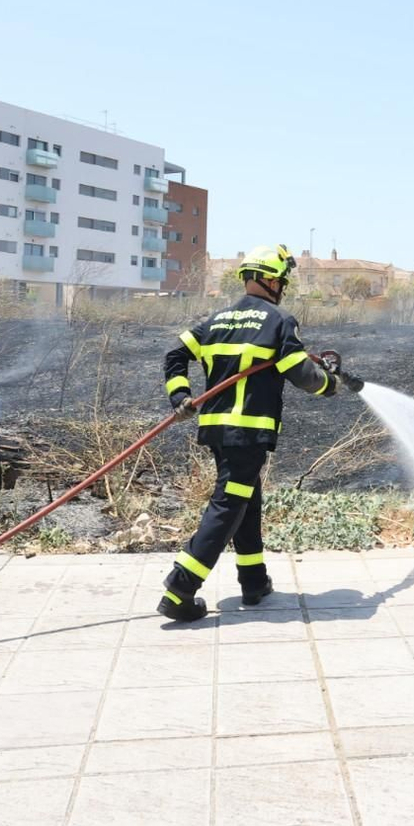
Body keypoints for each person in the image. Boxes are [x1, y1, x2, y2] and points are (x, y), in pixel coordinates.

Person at [157, 244, 343, 622]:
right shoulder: (279, 320)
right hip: (248, 432)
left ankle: (254, 580)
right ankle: (180, 588)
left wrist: (180, 394)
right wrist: (331, 385)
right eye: (281, 280)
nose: (283, 287)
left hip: (216, 431)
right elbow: (300, 373)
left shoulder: (218, 319)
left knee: (247, 499)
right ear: (270, 279)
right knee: (228, 505)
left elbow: (174, 355)